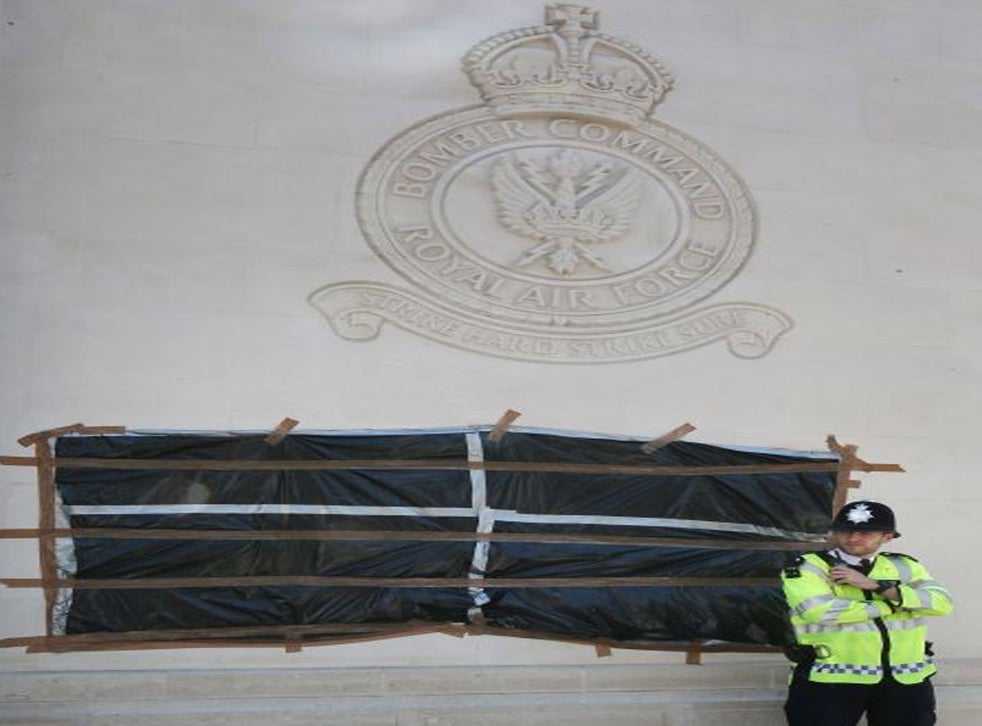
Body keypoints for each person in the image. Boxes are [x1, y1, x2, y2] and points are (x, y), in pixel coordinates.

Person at [781, 500, 953, 725]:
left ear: (888, 536)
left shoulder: (905, 566)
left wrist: (877, 586)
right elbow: (821, 612)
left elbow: (942, 604)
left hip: (905, 678)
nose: (853, 538)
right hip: (829, 678)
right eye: (845, 531)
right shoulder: (807, 567)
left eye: (865, 533)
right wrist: (895, 603)